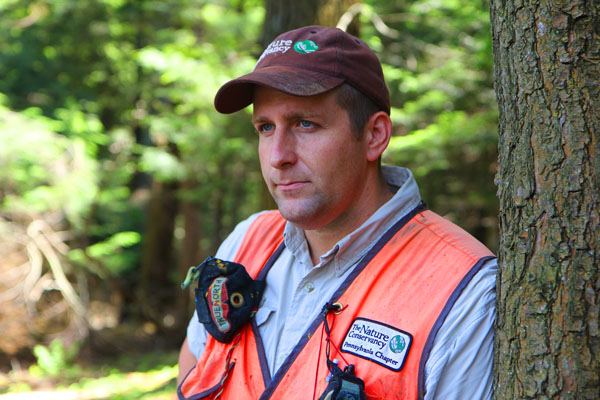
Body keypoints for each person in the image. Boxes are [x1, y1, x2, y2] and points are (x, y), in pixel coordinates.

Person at [178, 25, 497, 400]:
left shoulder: (463, 288)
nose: (278, 156)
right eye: (265, 127)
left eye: (305, 124)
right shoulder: (247, 241)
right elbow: (192, 369)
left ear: (374, 136)